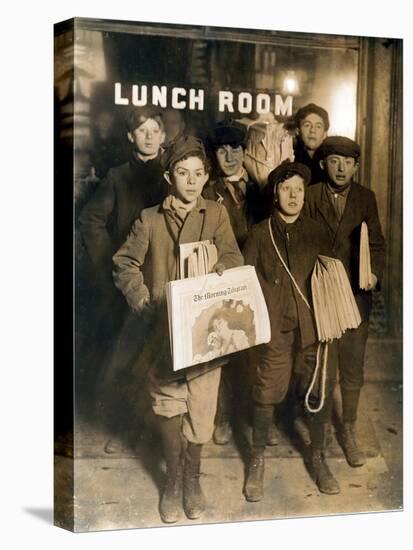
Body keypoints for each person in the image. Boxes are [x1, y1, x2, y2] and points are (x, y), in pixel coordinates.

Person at [112, 135, 244, 524]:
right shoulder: (150, 218)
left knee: (202, 410)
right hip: (163, 333)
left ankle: (192, 479)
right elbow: (124, 263)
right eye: (182, 173)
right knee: (168, 404)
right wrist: (140, 298)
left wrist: (225, 267)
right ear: (170, 176)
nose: (191, 180)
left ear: (207, 177)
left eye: (198, 173)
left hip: (206, 334)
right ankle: (171, 482)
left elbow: (234, 254)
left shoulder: (216, 214)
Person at [243, 160, 340, 501]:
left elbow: (333, 278)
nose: (294, 195)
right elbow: (244, 285)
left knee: (318, 390)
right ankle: (256, 458)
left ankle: (317, 456)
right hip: (274, 331)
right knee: (266, 390)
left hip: (313, 328)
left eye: (299, 189)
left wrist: (331, 317)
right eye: (287, 189)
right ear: (274, 193)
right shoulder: (258, 234)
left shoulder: (317, 232)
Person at [78, 106, 167, 448]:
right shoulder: (116, 176)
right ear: (131, 136)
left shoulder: (174, 173)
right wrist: (108, 266)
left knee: (162, 357)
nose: (148, 136)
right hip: (127, 281)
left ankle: (159, 431)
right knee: (128, 357)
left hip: (164, 275)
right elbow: (90, 221)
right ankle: (126, 429)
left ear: (163, 135)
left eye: (154, 130)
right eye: (141, 130)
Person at [304, 136, 385, 467]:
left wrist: (374, 274)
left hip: (354, 293)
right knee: (324, 366)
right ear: (323, 165)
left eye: (348, 162)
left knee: (353, 365)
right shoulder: (309, 196)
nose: (341, 168)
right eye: (334, 161)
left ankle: (348, 428)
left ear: (355, 166)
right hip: (320, 294)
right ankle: (319, 435)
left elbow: (377, 243)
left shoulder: (366, 198)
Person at [203, 119, 265, 445]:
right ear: (214, 155)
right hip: (223, 279)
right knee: (224, 350)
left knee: (256, 350)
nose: (229, 157)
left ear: (245, 151)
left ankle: (254, 418)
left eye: (236, 149)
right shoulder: (207, 191)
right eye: (222, 151)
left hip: (256, 279)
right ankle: (223, 416)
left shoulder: (262, 190)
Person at [294, 103, 329, 185]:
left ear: (325, 134)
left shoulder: (331, 162)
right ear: (298, 132)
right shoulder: (290, 159)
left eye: (318, 126)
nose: (312, 130)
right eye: (307, 125)